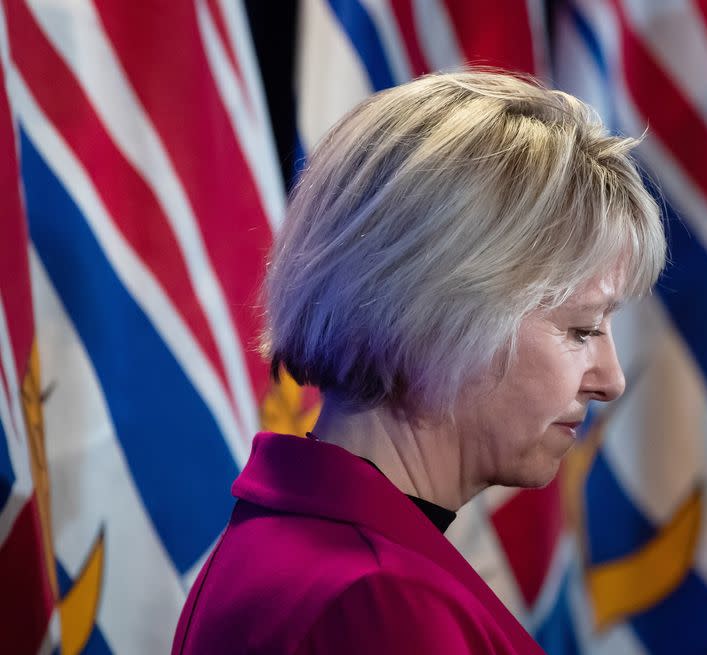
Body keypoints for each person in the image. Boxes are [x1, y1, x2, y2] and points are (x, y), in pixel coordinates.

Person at [172, 70, 665, 654]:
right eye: (582, 329)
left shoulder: (291, 539)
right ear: (436, 316)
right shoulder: (379, 603)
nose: (612, 381)